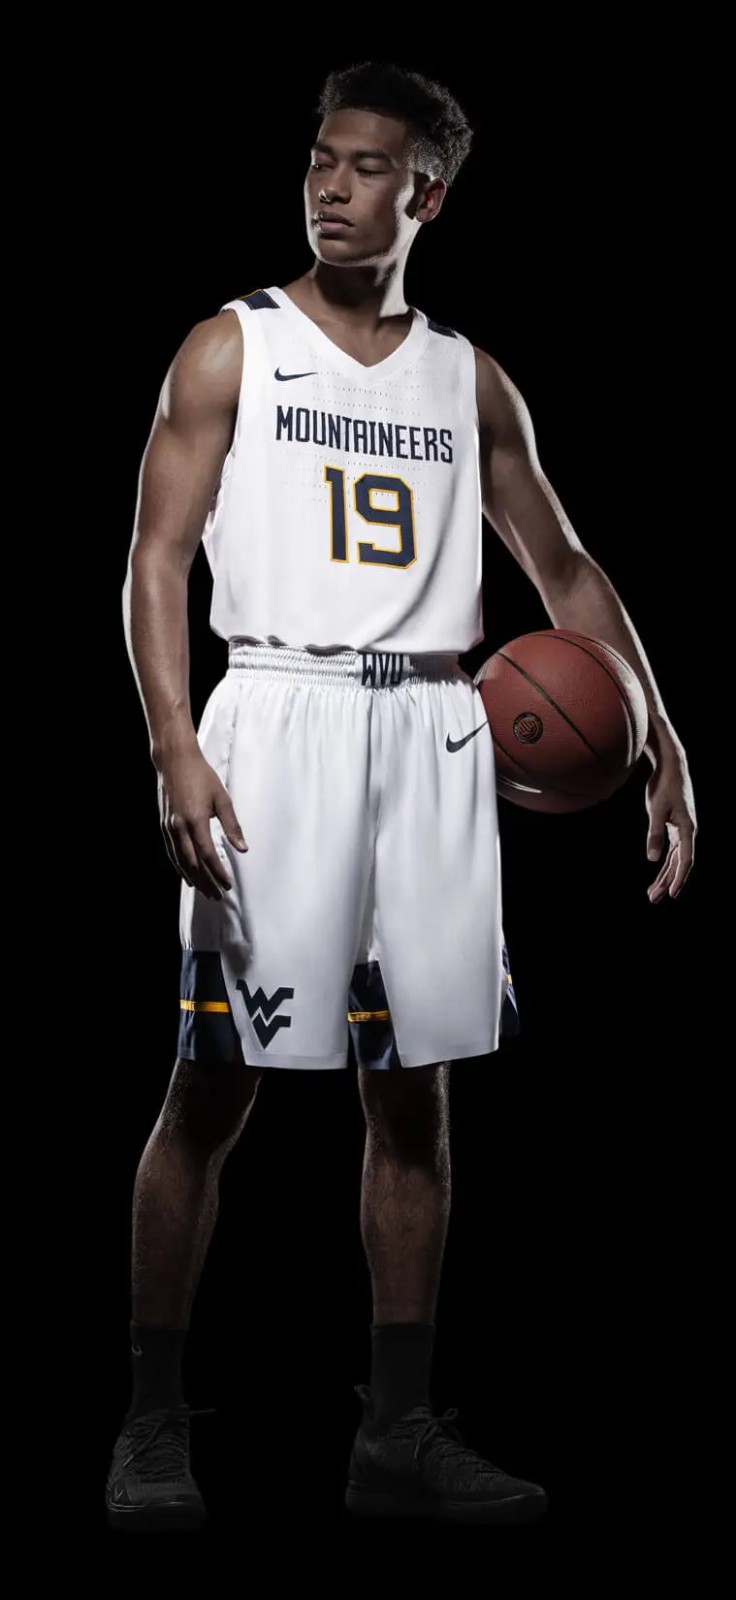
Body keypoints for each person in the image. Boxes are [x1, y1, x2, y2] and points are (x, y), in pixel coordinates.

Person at [108, 60, 697, 1529]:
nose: (330, 185)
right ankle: (152, 1421)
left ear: (426, 194)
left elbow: (563, 568)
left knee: (415, 1096)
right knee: (210, 1082)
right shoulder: (231, 348)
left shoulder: (467, 378)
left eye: (367, 166)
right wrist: (175, 741)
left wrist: (663, 735)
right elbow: (156, 558)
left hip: (433, 730)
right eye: (320, 158)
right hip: (279, 716)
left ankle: (398, 1430)